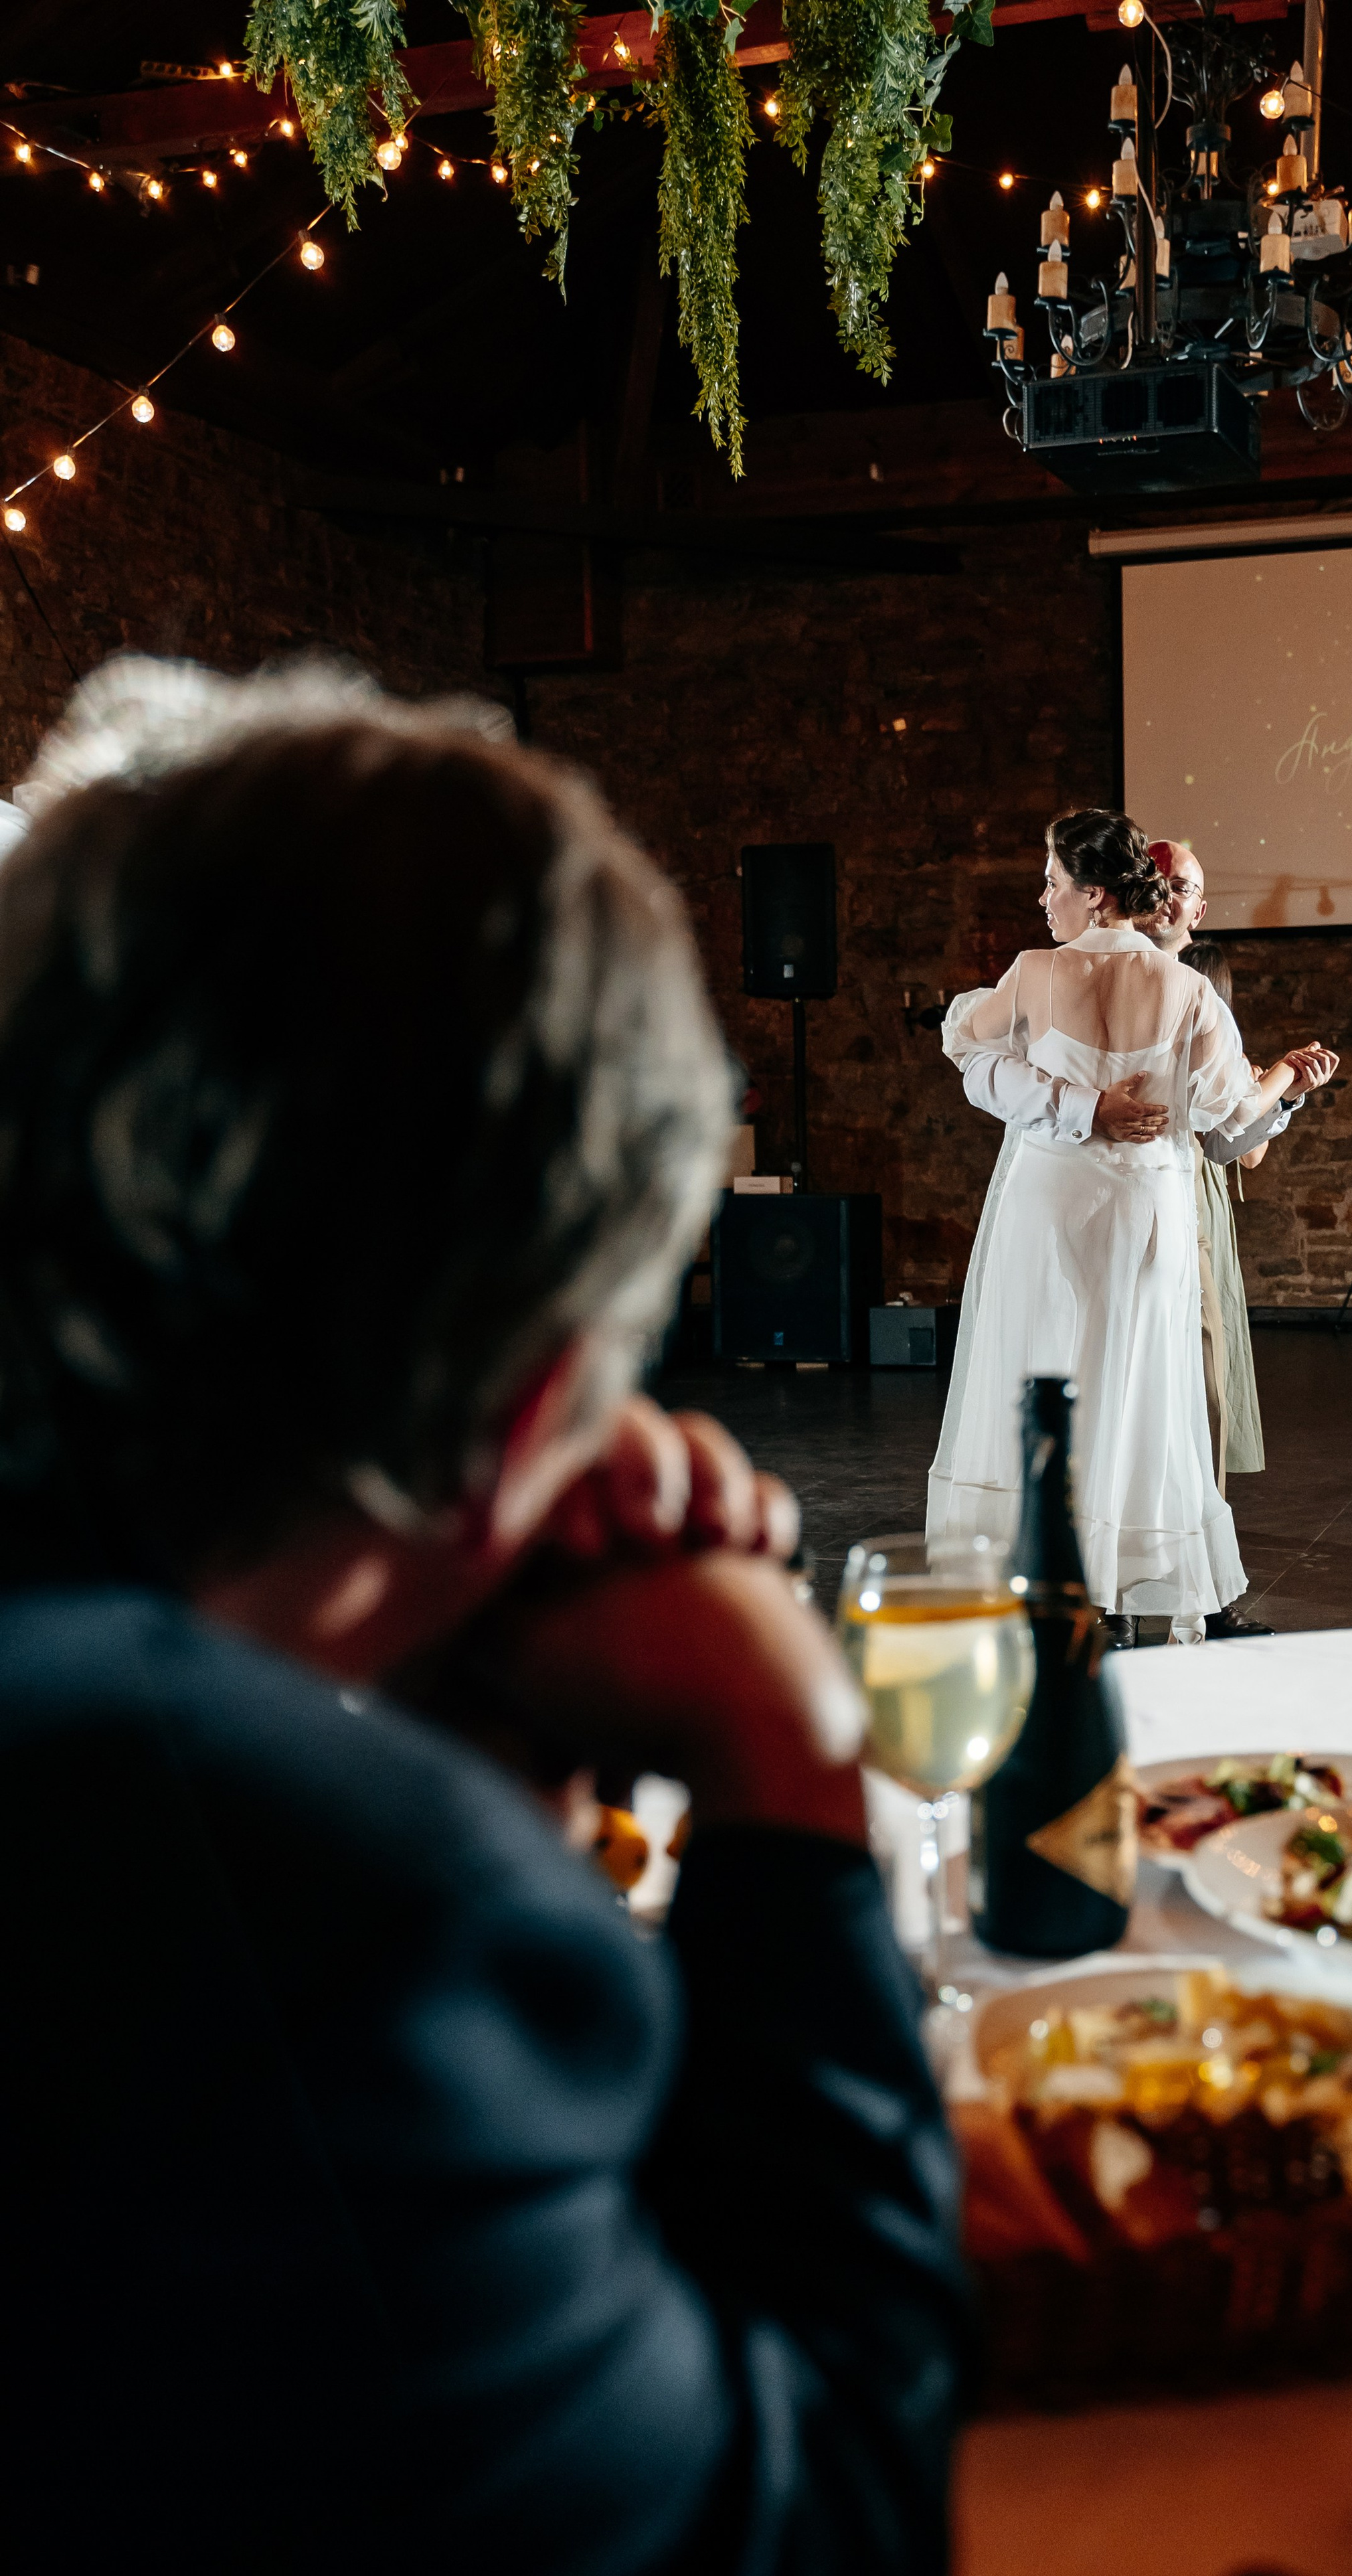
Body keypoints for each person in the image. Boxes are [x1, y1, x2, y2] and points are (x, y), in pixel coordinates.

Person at [0, 656, 967, 2574]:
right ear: (538, 1405)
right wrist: (784, 1767)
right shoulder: (345, 1929)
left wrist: (451, 1742)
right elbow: (819, 2525)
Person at [927, 809, 1333, 1645]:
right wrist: (1285, 1080)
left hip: (1048, 1204)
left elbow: (967, 1047)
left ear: (1095, 893)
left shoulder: (1035, 974)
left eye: (1052, 883)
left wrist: (1071, 1107)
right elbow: (1228, 1120)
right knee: (1137, 1390)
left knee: (1048, 1381)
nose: (1042, 900)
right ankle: (1104, 1584)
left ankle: (1072, 1586)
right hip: (1144, 1209)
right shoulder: (1186, 991)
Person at [1183, 937, 1270, 1488]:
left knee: (1208, 1334)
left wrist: (1262, 1095)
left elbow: (1250, 1153)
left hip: (1203, 1188)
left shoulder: (1225, 1052)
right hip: (1187, 1187)